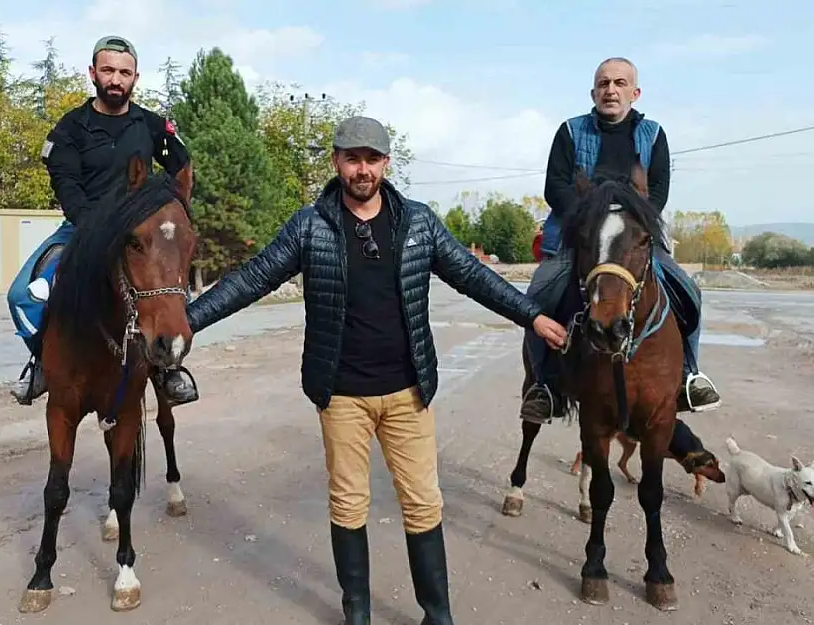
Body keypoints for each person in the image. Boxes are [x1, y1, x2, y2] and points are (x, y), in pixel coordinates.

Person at [185, 115, 567, 625]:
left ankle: (438, 615)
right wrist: (188, 321)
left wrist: (533, 315)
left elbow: (474, 276)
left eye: (371, 159)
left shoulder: (419, 223)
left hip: (408, 393)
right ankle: (357, 614)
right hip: (341, 395)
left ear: (386, 163)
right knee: (348, 505)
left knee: (423, 504)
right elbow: (252, 278)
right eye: (351, 158)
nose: (362, 169)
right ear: (336, 162)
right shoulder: (310, 226)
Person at [518, 56, 722, 425]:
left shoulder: (655, 134)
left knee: (689, 291)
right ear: (593, 91)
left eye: (619, 83)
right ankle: (543, 385)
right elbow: (555, 186)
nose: (610, 90)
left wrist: (634, 219)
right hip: (579, 234)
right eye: (603, 83)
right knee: (539, 295)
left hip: (633, 233)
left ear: (635, 92)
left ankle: (690, 374)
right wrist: (588, 217)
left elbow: (657, 190)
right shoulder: (570, 130)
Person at [7, 35, 195, 406]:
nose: (116, 79)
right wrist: (94, 228)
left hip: (141, 235)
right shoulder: (71, 128)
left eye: (124, 73)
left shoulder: (153, 127)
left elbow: (182, 171)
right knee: (22, 296)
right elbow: (66, 183)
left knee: (171, 294)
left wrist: (167, 214)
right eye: (108, 70)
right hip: (80, 230)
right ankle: (42, 362)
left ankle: (167, 369)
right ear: (93, 73)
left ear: (135, 78)